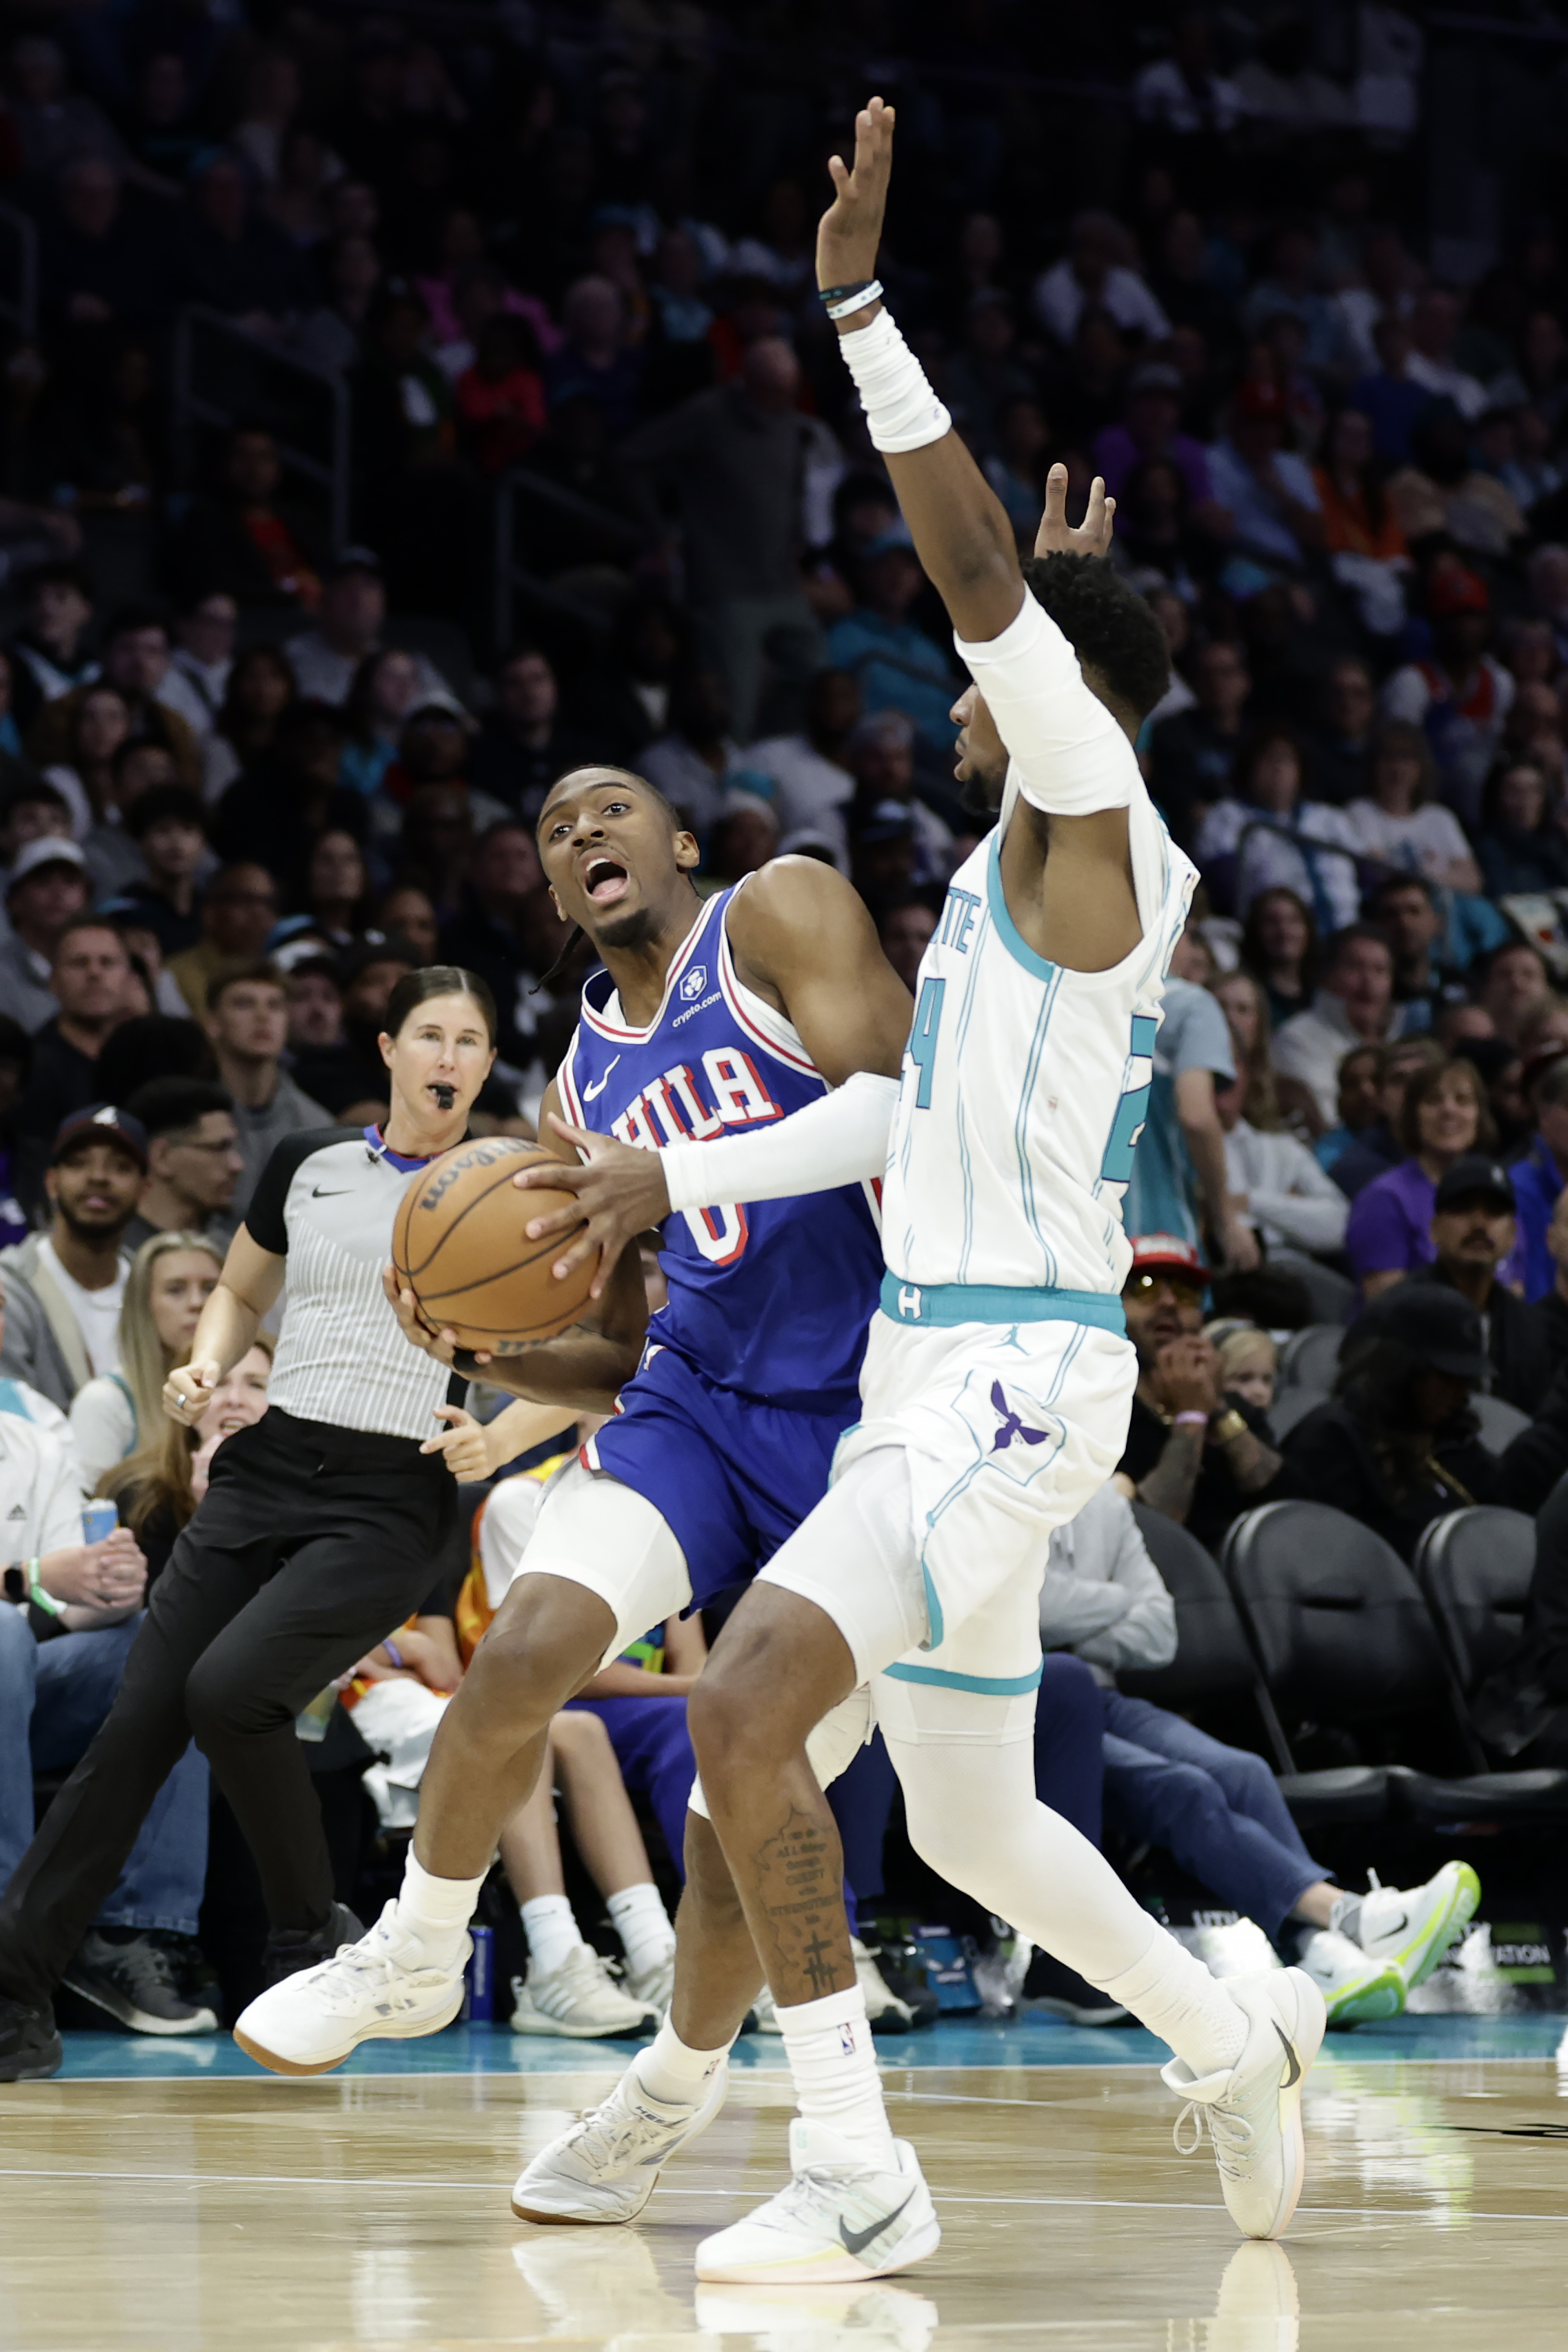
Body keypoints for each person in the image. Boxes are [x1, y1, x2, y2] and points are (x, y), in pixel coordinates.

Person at [0, 970, 570, 2082]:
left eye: (472, 1039)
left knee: (230, 1691)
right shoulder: (309, 1160)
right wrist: (207, 1359)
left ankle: (313, 1940)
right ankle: (15, 1989)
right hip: (267, 1465)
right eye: (431, 1034)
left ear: (484, 1063)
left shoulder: (510, 1186)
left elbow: (604, 1344)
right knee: (136, 1729)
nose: (452, 1052)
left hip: (391, 1490)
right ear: (390, 1049)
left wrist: (496, 1441)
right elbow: (241, 1291)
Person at [1041, 1483, 1478, 2027]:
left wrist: (1068, 1613)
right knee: (1185, 1787)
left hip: (1104, 1694)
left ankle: (1318, 1954)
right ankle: (1347, 1916)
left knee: (1242, 1771)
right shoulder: (991, 1486)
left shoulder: (1104, 1503)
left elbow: (1158, 1632)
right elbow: (1022, 1607)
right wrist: (1114, 1602)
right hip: (1029, 1701)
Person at [0, 1407, 217, 2051]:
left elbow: (66, 1603)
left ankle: (125, 1934)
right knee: (4, 1629)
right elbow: (37, 1587)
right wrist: (31, 1578)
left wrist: (107, 1588)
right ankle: (9, 1942)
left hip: (22, 1683)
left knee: (164, 1638)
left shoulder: (34, 1444)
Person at [1276, 1286, 1511, 1558]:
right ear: (1403, 1368)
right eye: (1446, 1378)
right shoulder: (1333, 1440)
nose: (1459, 1393)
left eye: (1465, 1380)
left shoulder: (1457, 1444)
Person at [1114, 1236, 1283, 1550]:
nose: (1167, 1303)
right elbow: (1154, 1526)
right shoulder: (1100, 1411)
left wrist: (1216, 1409)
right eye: (1146, 1287)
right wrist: (1191, 1418)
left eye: (1184, 1291)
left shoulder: (1232, 1406)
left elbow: (1286, 1511)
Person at [0, 1107, 145, 1412]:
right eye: (79, 1164)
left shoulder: (153, 1288)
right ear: (51, 1182)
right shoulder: (8, 1288)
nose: (98, 1177)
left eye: (120, 1167)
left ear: (144, 1190)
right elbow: (11, 1410)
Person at [70, 1232, 223, 1494]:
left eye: (210, 1288)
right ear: (143, 1305)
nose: (198, 1303)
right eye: (176, 1290)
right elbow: (92, 1515)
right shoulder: (105, 1403)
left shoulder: (247, 1392)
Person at [1347, 1057, 1512, 1300]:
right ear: (1414, 1115)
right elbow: (1385, 1302)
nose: (1448, 1110)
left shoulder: (1499, 1193)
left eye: (1463, 1100)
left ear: (1479, 1115)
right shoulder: (1384, 1197)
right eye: (1433, 1100)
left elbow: (1515, 1287)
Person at [1410, 1157, 1552, 1411]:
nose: (1479, 1224)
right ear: (1434, 1229)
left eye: (1495, 1212)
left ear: (1512, 1235)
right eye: (1462, 1209)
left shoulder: (1531, 1327)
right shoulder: (1398, 1313)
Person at [203, 965, 330, 1223]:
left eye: (274, 1006)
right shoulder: (189, 1120)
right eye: (244, 1004)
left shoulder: (317, 1127)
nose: (262, 1016)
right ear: (213, 1023)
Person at [1272, 924, 1405, 1130]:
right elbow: (1324, 1120)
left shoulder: (1401, 1038)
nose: (1368, 980)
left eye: (1380, 970)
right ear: (1327, 974)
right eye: (1355, 967)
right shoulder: (1297, 1038)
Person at [1216, 1070, 1349, 1258]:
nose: (1219, 1098)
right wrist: (1292, 1210)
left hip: (1288, 1266)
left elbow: (1338, 1227)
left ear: (1245, 1076)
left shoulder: (1283, 1148)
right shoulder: (1176, 1152)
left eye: (1225, 1082)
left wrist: (1251, 1201)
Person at [1344, 723, 1482, 892]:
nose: (1397, 769)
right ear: (1373, 766)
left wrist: (1425, 875)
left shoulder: (1440, 817)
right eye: (1389, 758)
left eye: (1406, 759)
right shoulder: (1360, 812)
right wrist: (1440, 875)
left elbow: (1472, 881)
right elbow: (1379, 870)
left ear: (1421, 767)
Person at [120, 1080, 242, 1254]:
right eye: (218, 1148)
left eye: (233, 1148)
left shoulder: (235, 1246)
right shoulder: (116, 1253)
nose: (237, 1165)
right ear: (162, 1157)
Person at [1328, 1035, 1446, 1198]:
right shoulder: (1356, 1170)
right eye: (1399, 1080)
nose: (1412, 1090)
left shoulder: (1472, 1154)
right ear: (1380, 1097)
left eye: (1422, 1078)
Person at [0, 838, 94, 1036]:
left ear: (86, 897)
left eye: (69, 881)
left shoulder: (104, 966)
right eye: (43, 881)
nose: (58, 892)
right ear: (14, 901)